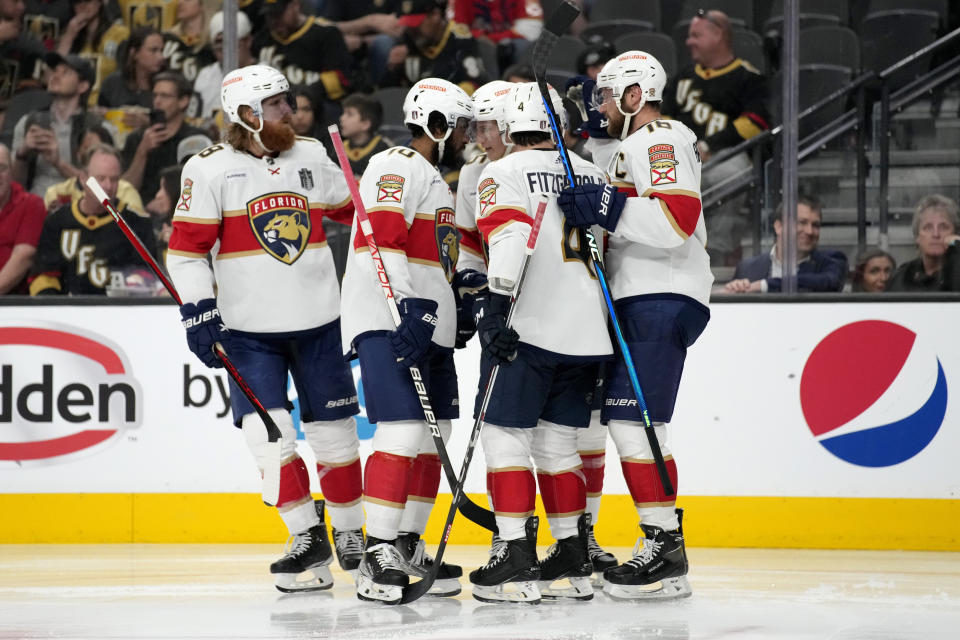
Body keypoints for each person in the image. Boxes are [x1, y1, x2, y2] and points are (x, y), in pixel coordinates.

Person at [165, 64, 366, 593]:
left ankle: (350, 534)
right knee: (265, 437)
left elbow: (359, 213)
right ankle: (306, 537)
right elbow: (185, 254)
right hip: (248, 332)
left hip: (320, 323)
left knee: (336, 437)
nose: (290, 111)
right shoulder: (207, 169)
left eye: (288, 101)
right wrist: (198, 310)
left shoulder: (312, 154)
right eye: (277, 104)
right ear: (247, 116)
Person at [558, 50, 713, 599]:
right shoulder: (633, 144)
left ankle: (665, 549)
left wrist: (606, 205)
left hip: (661, 294)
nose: (598, 105)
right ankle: (662, 544)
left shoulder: (660, 137)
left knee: (634, 426)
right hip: (641, 296)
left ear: (633, 96)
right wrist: (593, 137)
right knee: (628, 425)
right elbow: (619, 178)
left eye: (606, 95)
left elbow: (676, 219)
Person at [466, 82, 612, 604]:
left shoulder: (501, 171)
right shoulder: (590, 171)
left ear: (509, 128)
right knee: (560, 445)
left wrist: (497, 305)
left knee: (505, 438)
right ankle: (573, 554)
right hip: (587, 332)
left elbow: (506, 239)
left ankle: (514, 556)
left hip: (529, 325)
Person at [339, 77, 473, 605]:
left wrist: (456, 302)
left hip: (426, 321)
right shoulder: (395, 162)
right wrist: (406, 305)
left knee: (425, 443)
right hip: (390, 316)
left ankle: (408, 542)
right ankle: (377, 550)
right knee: (400, 432)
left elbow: (437, 256)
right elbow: (382, 237)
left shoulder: (436, 179)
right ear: (437, 124)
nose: (465, 135)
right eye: (459, 125)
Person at [660, 9, 769, 266]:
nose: (689, 42)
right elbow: (663, 116)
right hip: (683, 155)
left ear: (718, 35)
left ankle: (717, 251)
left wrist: (710, 145)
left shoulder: (747, 76)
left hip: (726, 155)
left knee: (728, 175)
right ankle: (673, 247)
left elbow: (756, 122)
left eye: (695, 36)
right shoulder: (684, 77)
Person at [28, 144, 155, 295]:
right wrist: (54, 307)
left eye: (114, 179)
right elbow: (43, 276)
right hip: (66, 313)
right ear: (83, 179)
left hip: (119, 313)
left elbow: (146, 279)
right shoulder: (57, 222)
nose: (108, 186)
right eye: (101, 179)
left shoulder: (137, 224)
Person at [12, 53, 100, 197]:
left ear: (82, 86)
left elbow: (101, 191)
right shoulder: (29, 122)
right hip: (36, 205)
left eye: (66, 72)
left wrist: (58, 163)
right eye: (54, 71)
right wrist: (22, 153)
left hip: (78, 211)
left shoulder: (97, 128)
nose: (55, 76)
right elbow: (14, 186)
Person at [725, 196, 847, 293]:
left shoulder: (832, 261)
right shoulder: (748, 267)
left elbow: (828, 282)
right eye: (802, 222)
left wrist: (764, 285)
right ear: (779, 227)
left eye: (815, 225)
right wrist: (736, 288)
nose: (810, 231)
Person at [121, 71, 208, 203]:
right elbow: (124, 191)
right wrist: (141, 152)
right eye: (155, 95)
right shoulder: (136, 139)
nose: (157, 101)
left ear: (183, 101)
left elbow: (199, 189)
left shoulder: (196, 140)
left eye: (165, 96)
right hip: (140, 213)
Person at [255, 0, 355, 105]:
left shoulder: (326, 34)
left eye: (278, 14)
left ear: (295, 5)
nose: (274, 21)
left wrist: (301, 93)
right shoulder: (263, 39)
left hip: (317, 106)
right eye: (270, 15)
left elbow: (341, 78)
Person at [381, 0, 488, 94]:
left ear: (435, 15)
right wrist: (392, 68)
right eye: (409, 25)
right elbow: (389, 92)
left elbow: (475, 83)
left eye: (417, 24)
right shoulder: (408, 41)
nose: (412, 30)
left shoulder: (460, 40)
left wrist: (445, 97)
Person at [42, 123, 145, 214]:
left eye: (98, 148)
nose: (92, 153)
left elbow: (136, 228)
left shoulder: (126, 192)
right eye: (87, 148)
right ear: (78, 154)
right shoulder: (56, 192)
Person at [55, 0, 130, 106]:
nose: (83, 5)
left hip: (107, 104)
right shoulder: (69, 36)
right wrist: (69, 36)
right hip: (74, 104)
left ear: (99, 3)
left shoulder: (120, 34)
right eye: (77, 2)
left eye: (88, 1)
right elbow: (52, 73)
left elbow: (125, 76)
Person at [888, 194, 960, 292]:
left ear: (955, 234)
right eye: (928, 227)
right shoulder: (902, 277)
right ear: (917, 236)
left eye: (943, 227)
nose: (936, 234)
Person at [0, 143, 45, 294]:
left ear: (11, 171)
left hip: (14, 305)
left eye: (2, 168)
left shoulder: (31, 204)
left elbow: (23, 258)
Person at [194, 10, 255, 122]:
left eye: (232, 42)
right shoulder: (205, 76)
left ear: (248, 41)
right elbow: (194, 119)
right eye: (219, 42)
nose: (226, 49)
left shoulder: (267, 74)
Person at [452, 0, 543, 71]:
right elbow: (458, 31)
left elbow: (531, 30)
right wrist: (480, 37)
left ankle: (525, 84)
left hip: (510, 42)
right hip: (479, 45)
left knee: (524, 46)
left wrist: (493, 38)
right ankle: (489, 88)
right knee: (483, 46)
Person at [161, 0, 214, 86]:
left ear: (202, 4)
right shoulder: (167, 39)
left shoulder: (213, 42)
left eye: (187, 0)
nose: (180, 3)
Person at [337, 93, 390, 179]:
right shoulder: (339, 148)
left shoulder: (383, 149)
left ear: (365, 124)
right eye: (343, 113)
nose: (342, 118)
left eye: (349, 114)